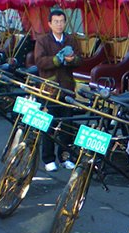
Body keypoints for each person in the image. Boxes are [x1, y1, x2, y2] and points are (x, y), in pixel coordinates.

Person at [34, 9, 82, 172]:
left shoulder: (70, 39)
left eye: (62, 21)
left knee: (67, 125)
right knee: (49, 124)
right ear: (50, 24)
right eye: (56, 21)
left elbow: (79, 59)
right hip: (50, 88)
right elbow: (40, 61)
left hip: (68, 88)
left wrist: (71, 60)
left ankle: (65, 157)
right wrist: (58, 59)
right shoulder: (42, 41)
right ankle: (48, 158)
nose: (59, 24)